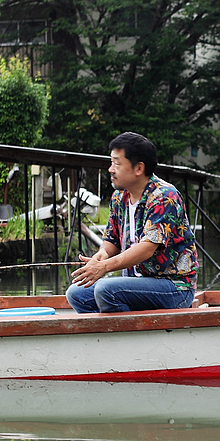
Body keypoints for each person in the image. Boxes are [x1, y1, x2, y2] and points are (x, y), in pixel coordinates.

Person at [66, 132, 197, 313]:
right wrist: (102, 255)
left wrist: (104, 267)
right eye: (111, 162)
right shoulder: (119, 197)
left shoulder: (164, 196)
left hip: (174, 287)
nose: (111, 169)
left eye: (117, 163)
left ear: (138, 168)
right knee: (76, 293)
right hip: (137, 284)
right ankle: (109, 335)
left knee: (106, 290)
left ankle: (123, 335)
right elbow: (112, 240)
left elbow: (147, 248)